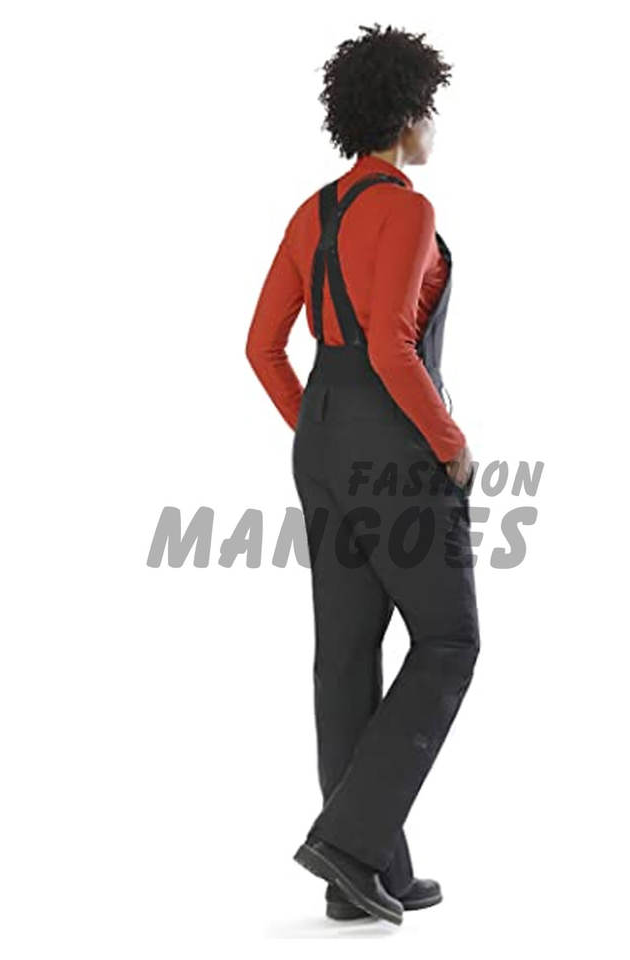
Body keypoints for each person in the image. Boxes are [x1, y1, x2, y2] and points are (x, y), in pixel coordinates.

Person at [246, 24, 480, 926]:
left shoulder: (310, 213)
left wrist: (322, 428)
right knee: (448, 640)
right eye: (431, 111)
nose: (434, 127)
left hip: (321, 441)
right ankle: (348, 843)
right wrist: (449, 442)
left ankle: (360, 868)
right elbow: (390, 342)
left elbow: (263, 347)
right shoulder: (407, 209)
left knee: (345, 652)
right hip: (394, 437)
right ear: (408, 114)